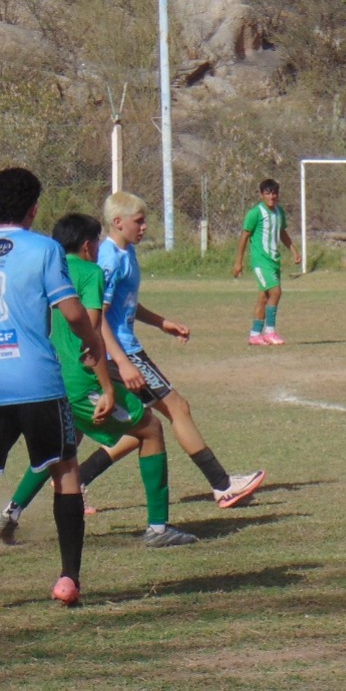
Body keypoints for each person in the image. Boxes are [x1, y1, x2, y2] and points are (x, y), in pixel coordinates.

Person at [0, 168, 115, 616]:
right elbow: (72, 313)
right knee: (65, 474)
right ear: (34, 208)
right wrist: (95, 346)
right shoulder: (45, 249)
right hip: (38, 384)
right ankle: (68, 579)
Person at [0, 214, 197, 548]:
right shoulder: (90, 273)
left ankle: (10, 513)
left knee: (60, 448)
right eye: (97, 241)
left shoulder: (44, 274)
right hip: (80, 380)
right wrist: (106, 386)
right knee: (151, 430)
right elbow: (90, 335)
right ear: (88, 245)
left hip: (46, 378)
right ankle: (158, 529)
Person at [99, 190, 266, 508]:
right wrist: (122, 362)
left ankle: (76, 481)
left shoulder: (126, 253)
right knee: (178, 408)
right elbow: (98, 319)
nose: (145, 227)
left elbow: (126, 305)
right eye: (139, 221)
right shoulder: (109, 260)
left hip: (124, 353)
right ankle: (223, 484)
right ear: (118, 223)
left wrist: (163, 323)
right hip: (122, 354)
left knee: (141, 428)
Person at [232, 178, 302, 346]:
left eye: (274, 193)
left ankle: (255, 335)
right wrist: (238, 261)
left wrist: (293, 251)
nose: (272, 197)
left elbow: (282, 232)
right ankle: (270, 331)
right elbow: (244, 236)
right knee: (276, 292)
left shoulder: (279, 212)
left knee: (264, 297)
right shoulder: (255, 213)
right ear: (261, 194)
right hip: (260, 261)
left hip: (273, 261)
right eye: (268, 193)